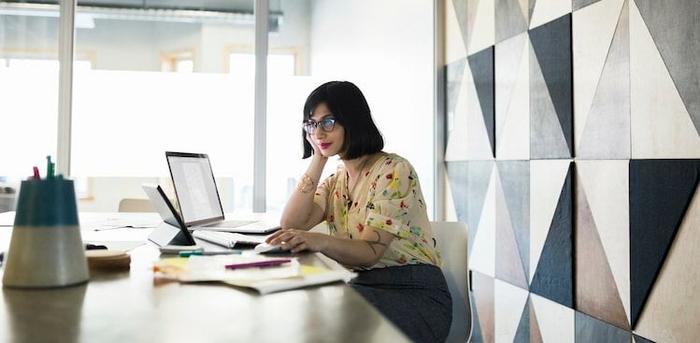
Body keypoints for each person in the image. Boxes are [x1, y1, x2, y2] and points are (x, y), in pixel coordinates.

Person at [266, 81, 452, 342]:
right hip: (362, 287)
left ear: (351, 120)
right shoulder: (336, 180)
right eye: (312, 124)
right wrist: (318, 158)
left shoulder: (393, 170)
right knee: (301, 313)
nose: (318, 133)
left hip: (413, 293)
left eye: (328, 122)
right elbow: (292, 222)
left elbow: (370, 254)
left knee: (316, 322)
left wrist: (317, 240)